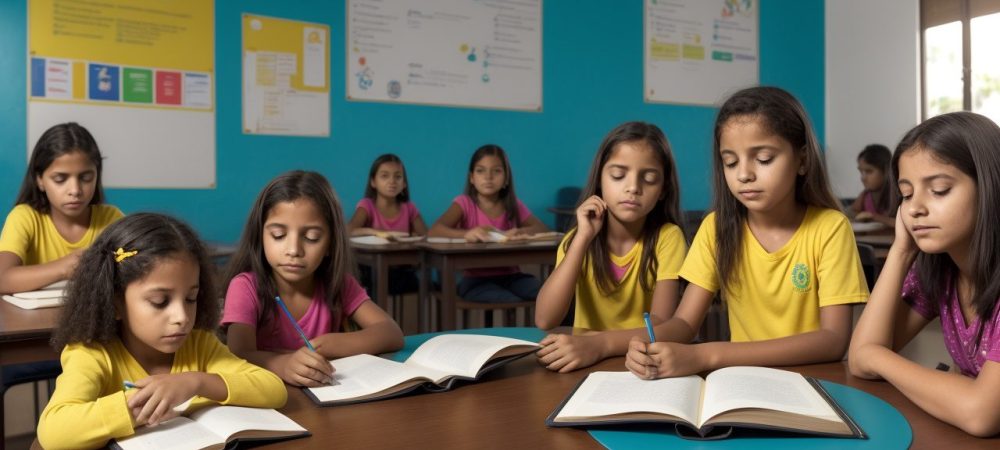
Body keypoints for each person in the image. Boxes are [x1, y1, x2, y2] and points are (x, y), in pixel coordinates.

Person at [626, 86, 868, 379]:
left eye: (764, 159)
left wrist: (707, 354)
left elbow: (833, 340)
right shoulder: (716, 228)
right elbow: (686, 323)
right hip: (742, 384)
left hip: (814, 384)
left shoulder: (830, 228)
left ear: (802, 160)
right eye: (730, 161)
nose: (743, 175)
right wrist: (650, 343)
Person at [37, 213, 286, 450]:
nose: (182, 318)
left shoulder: (199, 344)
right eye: (159, 301)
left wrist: (194, 382)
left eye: (191, 298)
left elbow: (273, 388)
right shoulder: (91, 353)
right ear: (114, 303)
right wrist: (144, 406)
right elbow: (54, 431)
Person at [849, 112, 1000, 437]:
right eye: (906, 193)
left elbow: (980, 414)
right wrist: (901, 251)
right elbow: (859, 361)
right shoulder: (940, 271)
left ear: (991, 187)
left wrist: (877, 356)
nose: (914, 207)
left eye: (940, 189)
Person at [222, 170, 403, 387]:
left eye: (312, 237)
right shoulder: (246, 287)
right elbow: (238, 354)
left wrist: (333, 344)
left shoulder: (338, 284)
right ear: (260, 237)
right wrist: (282, 364)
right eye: (278, 235)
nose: (293, 250)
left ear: (330, 244)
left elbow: (391, 333)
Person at [429, 144, 549, 302]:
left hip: (512, 276)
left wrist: (520, 232)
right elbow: (434, 231)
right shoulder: (464, 203)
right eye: (480, 170)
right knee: (510, 300)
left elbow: (543, 228)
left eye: (496, 171)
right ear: (472, 177)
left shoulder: (513, 204)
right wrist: (467, 234)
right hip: (474, 279)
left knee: (547, 294)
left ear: (506, 179)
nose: (488, 177)